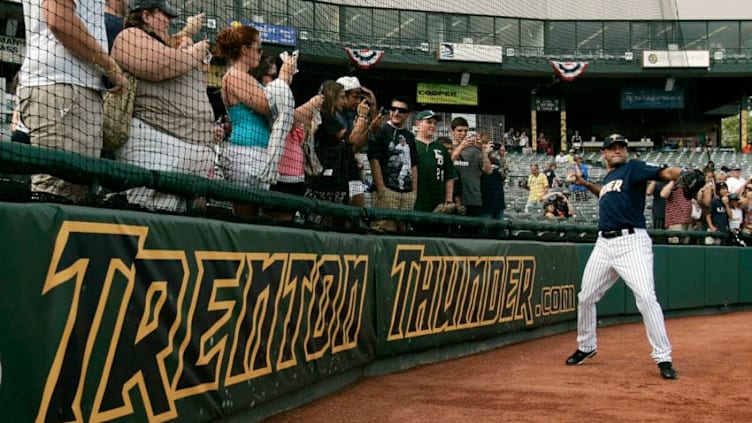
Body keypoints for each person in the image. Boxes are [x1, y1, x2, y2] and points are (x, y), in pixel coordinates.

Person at [564, 133, 681, 380]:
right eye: (612, 147)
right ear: (604, 154)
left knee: (646, 297)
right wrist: (586, 185)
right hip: (604, 244)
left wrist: (681, 173)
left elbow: (667, 174)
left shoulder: (633, 169)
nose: (617, 150)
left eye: (621, 147)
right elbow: (606, 194)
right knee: (585, 297)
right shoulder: (610, 178)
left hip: (631, 243)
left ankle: (663, 357)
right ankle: (586, 346)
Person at [19, 0, 127, 204]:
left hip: (72, 88)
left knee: (73, 195)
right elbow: (58, 18)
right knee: (56, 195)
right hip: (63, 88)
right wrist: (110, 65)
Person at [111, 0, 215, 212]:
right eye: (164, 15)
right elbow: (161, 66)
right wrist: (195, 52)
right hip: (156, 149)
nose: (169, 20)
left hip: (189, 159)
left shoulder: (171, 46)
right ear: (146, 16)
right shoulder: (130, 35)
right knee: (144, 218)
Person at [368, 95, 418, 232]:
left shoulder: (410, 136)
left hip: (407, 193)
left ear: (408, 115)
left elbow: (414, 164)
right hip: (387, 190)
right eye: (393, 109)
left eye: (401, 110)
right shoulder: (381, 130)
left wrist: (414, 192)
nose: (396, 113)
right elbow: (374, 159)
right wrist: (381, 189)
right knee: (383, 230)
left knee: (405, 232)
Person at [413, 110, 454, 213]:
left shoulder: (441, 148)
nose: (433, 126)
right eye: (429, 122)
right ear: (418, 124)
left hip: (437, 201)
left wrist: (448, 200)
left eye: (435, 123)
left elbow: (449, 175)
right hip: (415, 199)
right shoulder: (411, 144)